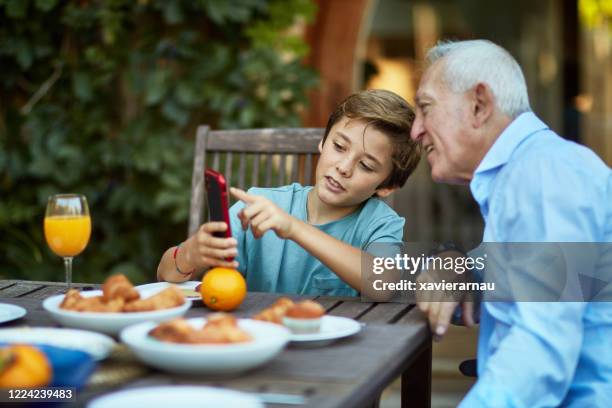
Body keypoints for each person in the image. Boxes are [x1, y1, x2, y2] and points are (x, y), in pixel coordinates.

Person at [411, 39, 612, 406]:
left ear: (479, 104)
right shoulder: (529, 172)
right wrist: (454, 264)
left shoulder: (544, 175)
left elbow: (541, 348)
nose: (416, 131)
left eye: (425, 108)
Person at [157, 89, 421, 297]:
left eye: (365, 165)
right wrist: (191, 253)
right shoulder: (263, 204)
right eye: (339, 146)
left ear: (386, 186)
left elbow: (384, 283)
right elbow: (165, 275)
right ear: (323, 141)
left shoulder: (380, 223)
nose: (344, 167)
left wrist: (293, 228)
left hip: (335, 358)